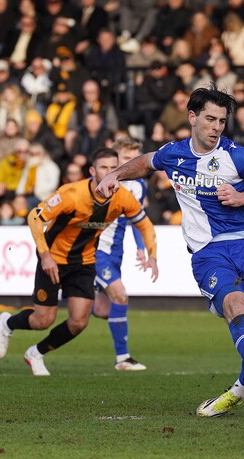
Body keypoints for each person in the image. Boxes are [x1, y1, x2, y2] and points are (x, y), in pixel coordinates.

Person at [96, 85, 244, 417]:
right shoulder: (174, 154)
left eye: (222, 121)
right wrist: (116, 173)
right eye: (210, 119)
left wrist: (243, 198)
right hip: (208, 253)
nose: (216, 127)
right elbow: (145, 163)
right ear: (192, 117)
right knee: (236, 306)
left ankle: (240, 390)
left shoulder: (236, 156)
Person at [0, 148, 159, 376]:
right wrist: (45, 255)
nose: (109, 172)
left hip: (85, 262)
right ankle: (7, 323)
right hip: (54, 259)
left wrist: (152, 256)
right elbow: (34, 216)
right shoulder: (71, 194)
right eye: (103, 167)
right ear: (92, 171)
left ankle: (36, 353)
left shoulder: (123, 198)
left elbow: (145, 225)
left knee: (79, 322)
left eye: (114, 168)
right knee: (43, 320)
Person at [91, 138, 150, 371]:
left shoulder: (139, 186)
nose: (131, 163)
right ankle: (123, 359)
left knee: (101, 310)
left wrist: (141, 247)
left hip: (116, 251)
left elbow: (136, 219)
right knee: (120, 295)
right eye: (126, 158)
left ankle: (74, 294)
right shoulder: (101, 183)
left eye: (135, 158)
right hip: (96, 250)